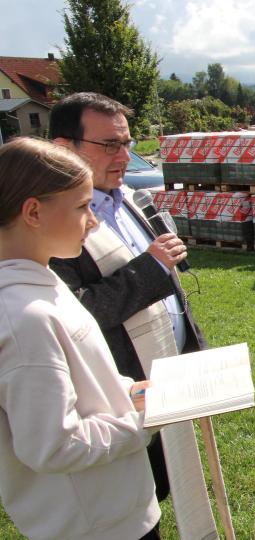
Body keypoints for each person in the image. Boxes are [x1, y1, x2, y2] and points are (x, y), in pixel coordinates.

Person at [49, 92, 206, 505]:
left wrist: (191, 345)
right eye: (110, 145)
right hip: (115, 399)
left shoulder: (134, 201)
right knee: (128, 507)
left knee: (163, 489)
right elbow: (75, 310)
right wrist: (152, 269)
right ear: (64, 148)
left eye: (128, 143)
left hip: (166, 374)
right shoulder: (52, 221)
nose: (124, 155)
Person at [0, 138, 161, 540]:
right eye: (81, 206)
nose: (93, 221)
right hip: (95, 525)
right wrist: (142, 420)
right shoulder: (23, 319)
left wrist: (132, 390)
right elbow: (53, 445)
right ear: (33, 212)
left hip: (112, 511)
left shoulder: (42, 277)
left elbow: (82, 380)